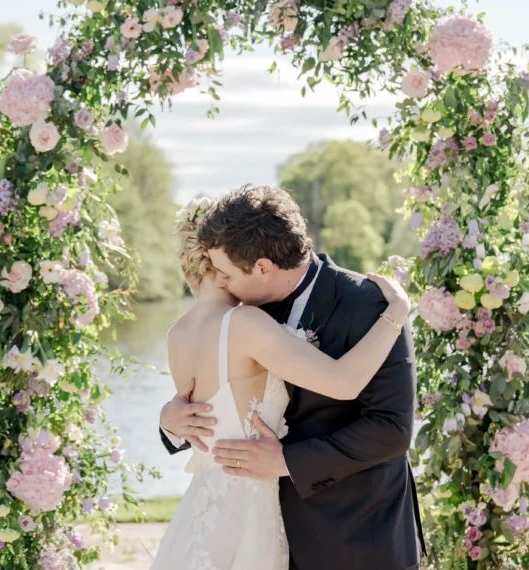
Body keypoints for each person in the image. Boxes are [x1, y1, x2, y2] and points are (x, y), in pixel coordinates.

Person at [156, 186, 425, 570]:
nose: (223, 282)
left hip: (357, 536)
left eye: (228, 273)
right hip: (264, 533)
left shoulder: (369, 304)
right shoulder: (241, 314)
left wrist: (286, 462)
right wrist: (171, 421)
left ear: (263, 267)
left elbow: (391, 430)